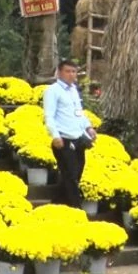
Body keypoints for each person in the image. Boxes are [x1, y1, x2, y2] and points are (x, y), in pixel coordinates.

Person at [42, 60, 96, 208]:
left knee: (75, 173)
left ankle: (57, 204)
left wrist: (89, 127)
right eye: (68, 71)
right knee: (71, 175)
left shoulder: (73, 90)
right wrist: (55, 135)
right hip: (63, 139)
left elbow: (79, 112)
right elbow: (49, 115)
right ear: (59, 73)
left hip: (78, 138)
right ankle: (76, 208)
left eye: (74, 71)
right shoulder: (52, 91)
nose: (71, 74)